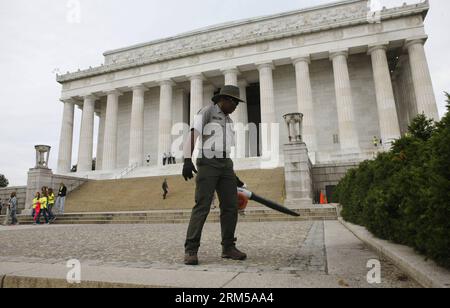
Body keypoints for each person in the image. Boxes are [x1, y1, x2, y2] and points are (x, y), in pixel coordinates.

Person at [182, 85, 248, 266]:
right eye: (234, 102)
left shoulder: (229, 121)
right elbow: (193, 133)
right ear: (224, 99)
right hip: (208, 161)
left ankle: (228, 247)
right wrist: (187, 159)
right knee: (202, 205)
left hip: (225, 163)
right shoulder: (206, 112)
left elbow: (225, 147)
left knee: (230, 206)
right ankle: (191, 249)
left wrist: (231, 174)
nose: (236, 107)